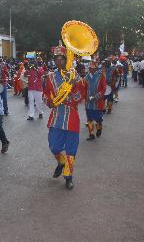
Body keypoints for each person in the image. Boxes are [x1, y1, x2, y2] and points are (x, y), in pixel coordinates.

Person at [42, 43, 86, 190]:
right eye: (56, 59)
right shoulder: (50, 77)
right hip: (56, 116)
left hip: (72, 117)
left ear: (66, 59)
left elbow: (80, 97)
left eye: (61, 58)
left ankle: (68, 176)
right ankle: (61, 162)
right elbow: (45, 94)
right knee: (54, 146)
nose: (58, 61)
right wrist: (49, 102)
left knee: (71, 150)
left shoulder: (75, 77)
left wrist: (73, 87)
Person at [84, 62, 106, 141]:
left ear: (96, 68)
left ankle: (99, 128)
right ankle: (91, 134)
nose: (91, 69)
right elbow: (83, 87)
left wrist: (96, 97)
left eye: (93, 68)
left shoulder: (101, 76)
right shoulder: (86, 77)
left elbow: (104, 89)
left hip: (98, 102)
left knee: (98, 119)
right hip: (88, 102)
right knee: (89, 119)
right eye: (90, 68)